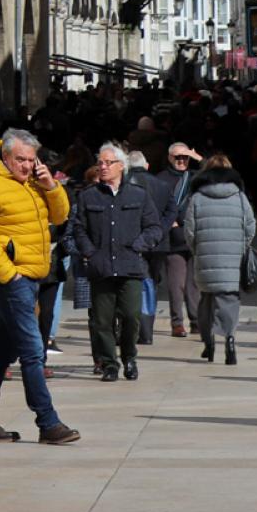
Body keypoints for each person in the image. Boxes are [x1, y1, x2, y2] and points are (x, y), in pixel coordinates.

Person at [0, 129, 80, 444]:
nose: (27, 165)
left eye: (32, 160)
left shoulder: (33, 184)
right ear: (5, 157)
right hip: (11, 277)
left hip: (32, 275)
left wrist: (51, 186)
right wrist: (8, 274)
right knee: (33, 350)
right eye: (21, 159)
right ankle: (48, 422)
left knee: (3, 349)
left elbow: (60, 216)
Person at [73, 143, 162, 383]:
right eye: (99, 162)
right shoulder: (88, 196)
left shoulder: (139, 195)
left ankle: (130, 357)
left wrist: (139, 245)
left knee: (132, 316)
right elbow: (79, 228)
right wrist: (89, 252)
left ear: (121, 166)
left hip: (130, 266)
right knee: (102, 320)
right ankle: (109, 363)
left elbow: (154, 227)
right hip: (101, 267)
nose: (102, 167)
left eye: (107, 162)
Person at [184, 154, 255, 366]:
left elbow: (189, 231)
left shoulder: (196, 198)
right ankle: (230, 339)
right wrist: (241, 247)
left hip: (205, 257)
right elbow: (250, 227)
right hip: (233, 257)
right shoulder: (240, 197)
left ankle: (209, 341)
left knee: (206, 300)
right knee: (229, 300)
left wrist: (197, 250)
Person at [125, 150, 179, 345]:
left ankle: (133, 329)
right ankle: (146, 331)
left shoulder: (123, 184)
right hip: (157, 243)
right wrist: (161, 229)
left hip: (130, 242)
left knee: (131, 283)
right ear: (146, 165)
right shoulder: (162, 185)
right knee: (150, 283)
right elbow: (173, 210)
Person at [157, 142, 201, 337]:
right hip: (173, 239)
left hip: (194, 236)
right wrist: (168, 222)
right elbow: (156, 206)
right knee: (177, 284)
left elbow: (221, 174)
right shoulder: (161, 179)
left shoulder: (196, 177)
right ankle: (177, 323)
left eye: (185, 157)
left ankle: (197, 321)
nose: (182, 160)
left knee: (194, 283)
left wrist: (198, 157)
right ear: (169, 158)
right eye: (177, 157)